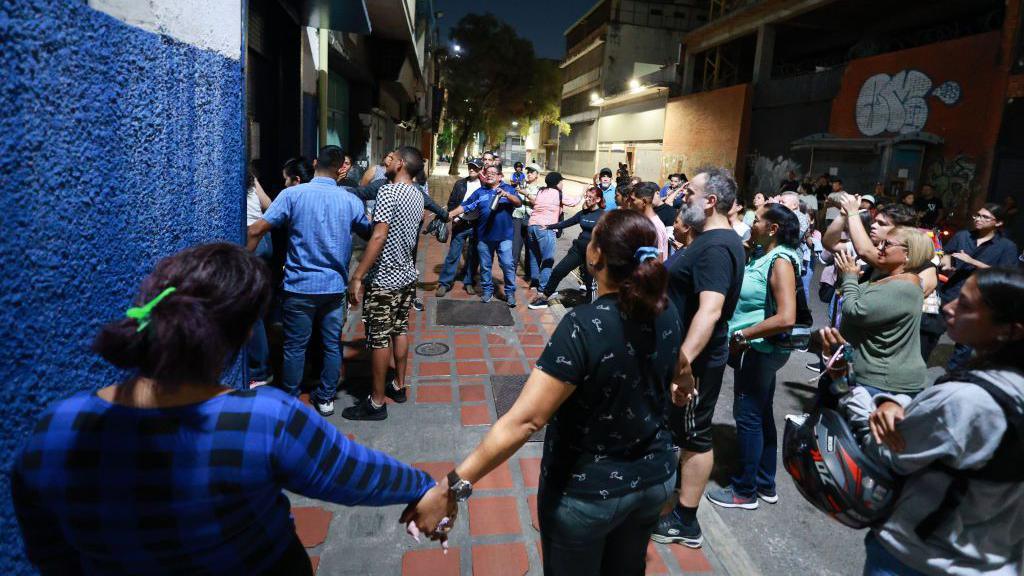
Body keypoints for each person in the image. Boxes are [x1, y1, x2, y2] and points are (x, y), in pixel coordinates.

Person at [11, 243, 435, 575]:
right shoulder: (263, 420)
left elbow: (49, 551)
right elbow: (353, 474)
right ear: (247, 330)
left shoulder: (55, 430)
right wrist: (427, 487)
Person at [403, 210, 684, 575]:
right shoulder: (667, 310)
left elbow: (525, 420)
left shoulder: (583, 326)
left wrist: (450, 488)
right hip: (654, 480)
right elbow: (683, 368)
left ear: (595, 255)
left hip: (588, 494)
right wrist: (682, 389)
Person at [824, 267, 1024, 576]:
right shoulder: (1004, 390)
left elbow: (889, 451)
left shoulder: (966, 400)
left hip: (921, 558)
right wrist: (899, 402)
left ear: (1010, 330)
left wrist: (848, 387)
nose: (948, 307)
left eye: (967, 306)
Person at [652, 167, 745, 548]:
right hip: (683, 359)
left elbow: (710, 311)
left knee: (695, 435)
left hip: (696, 364)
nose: (680, 196)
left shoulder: (718, 247)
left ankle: (685, 521)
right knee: (683, 431)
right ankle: (670, 497)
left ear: (710, 201)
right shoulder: (708, 240)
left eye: (688, 192)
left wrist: (683, 363)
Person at [247, 145, 370, 416]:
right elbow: (369, 230)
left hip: (298, 286)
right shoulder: (350, 200)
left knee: (294, 346)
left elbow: (257, 228)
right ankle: (326, 398)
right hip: (334, 287)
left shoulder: (292, 195)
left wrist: (240, 262)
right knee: (330, 344)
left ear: (315, 163)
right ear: (341, 169)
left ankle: (290, 398)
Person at [707, 203, 802, 509]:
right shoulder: (765, 254)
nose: (753, 223)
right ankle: (764, 482)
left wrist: (741, 335)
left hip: (758, 350)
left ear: (773, 228)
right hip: (756, 349)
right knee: (760, 414)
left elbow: (786, 317)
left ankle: (744, 491)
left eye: (758, 220)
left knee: (747, 417)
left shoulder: (781, 261)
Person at [341, 146, 426, 421]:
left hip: (385, 277)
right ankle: (399, 386)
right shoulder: (417, 194)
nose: (386, 161)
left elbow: (378, 237)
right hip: (406, 275)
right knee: (399, 329)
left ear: (401, 164)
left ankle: (377, 402)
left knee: (378, 338)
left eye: (391, 158)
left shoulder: (388, 191)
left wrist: (357, 276)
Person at [832, 221, 934, 396]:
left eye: (886, 244)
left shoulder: (904, 288)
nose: (879, 247)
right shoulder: (890, 278)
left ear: (908, 254)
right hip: (866, 374)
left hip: (883, 382)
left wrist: (850, 277)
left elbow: (856, 311)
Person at [938, 203, 1019, 370]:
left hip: (978, 298)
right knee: (930, 333)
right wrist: (946, 262)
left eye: (985, 217)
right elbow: (947, 252)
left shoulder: (1007, 246)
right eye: (978, 215)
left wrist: (972, 261)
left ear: (998, 223)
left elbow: (1004, 274)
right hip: (951, 291)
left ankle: (952, 377)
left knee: (964, 345)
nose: (979, 219)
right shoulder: (963, 236)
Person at [448, 165, 522, 306]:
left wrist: (507, 195)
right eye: (487, 173)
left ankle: (510, 293)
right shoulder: (479, 192)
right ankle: (487, 291)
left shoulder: (508, 189)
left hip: (504, 237)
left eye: (493, 173)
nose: (490, 175)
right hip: (484, 236)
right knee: (485, 266)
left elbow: (518, 203)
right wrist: (449, 214)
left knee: (507, 264)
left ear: (500, 176)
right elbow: (465, 206)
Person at [528, 186, 606, 309]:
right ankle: (544, 298)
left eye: (590, 198)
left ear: (598, 200)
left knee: (591, 283)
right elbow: (566, 223)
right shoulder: (583, 213)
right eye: (586, 196)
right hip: (578, 250)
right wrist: (548, 226)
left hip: (593, 254)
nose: (587, 199)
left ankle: (591, 308)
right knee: (558, 271)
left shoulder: (603, 215)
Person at [245, 165, 273, 388]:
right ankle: (260, 368)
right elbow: (269, 206)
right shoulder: (251, 177)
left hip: (249, 238)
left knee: (251, 310)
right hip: (264, 239)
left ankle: (258, 370)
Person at [437, 158, 482, 297]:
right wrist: (455, 218)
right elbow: (452, 202)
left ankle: (468, 282)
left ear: (480, 169)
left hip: (476, 224)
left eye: (475, 167)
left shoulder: (484, 186)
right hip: (460, 224)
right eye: (470, 167)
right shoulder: (460, 184)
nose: (471, 169)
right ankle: (445, 283)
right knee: (453, 254)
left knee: (472, 255)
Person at [527, 172, 570, 294]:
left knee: (535, 257)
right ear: (557, 183)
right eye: (561, 181)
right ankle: (544, 287)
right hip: (545, 228)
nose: (562, 184)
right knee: (548, 259)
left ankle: (534, 283)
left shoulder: (541, 191)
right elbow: (573, 202)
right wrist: (583, 194)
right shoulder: (558, 193)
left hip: (532, 226)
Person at [512, 163, 542, 286]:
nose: (529, 174)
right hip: (518, 218)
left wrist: (526, 194)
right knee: (515, 248)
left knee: (531, 249)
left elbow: (538, 203)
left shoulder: (541, 189)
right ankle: (510, 276)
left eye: (532, 172)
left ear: (537, 175)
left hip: (531, 219)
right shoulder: (520, 185)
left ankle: (530, 277)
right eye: (528, 171)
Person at [625, 182, 669, 260]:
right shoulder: (645, 222)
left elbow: (658, 258)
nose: (629, 203)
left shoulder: (653, 225)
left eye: (632, 200)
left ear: (644, 202)